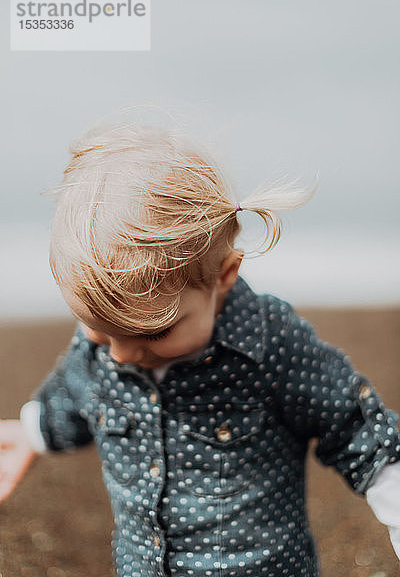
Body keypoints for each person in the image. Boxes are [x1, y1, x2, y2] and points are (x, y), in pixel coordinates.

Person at [0, 119, 399, 577]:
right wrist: (33, 432)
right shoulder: (105, 347)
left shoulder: (270, 344)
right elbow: (76, 393)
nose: (120, 355)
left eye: (153, 334)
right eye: (98, 331)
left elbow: (357, 429)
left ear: (224, 275)